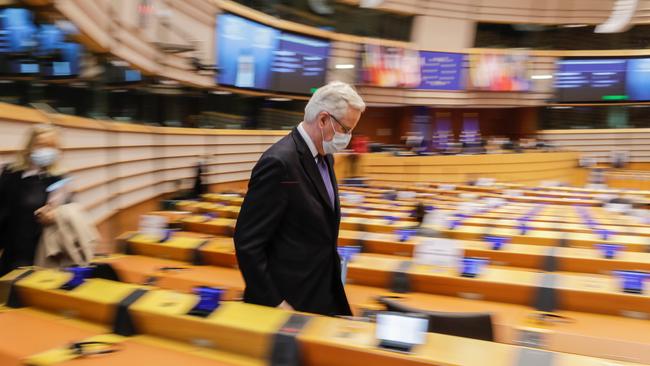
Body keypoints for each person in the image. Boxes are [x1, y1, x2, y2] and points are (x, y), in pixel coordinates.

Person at [234, 81, 365, 316]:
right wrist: (275, 302)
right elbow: (248, 243)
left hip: (319, 292)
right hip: (287, 303)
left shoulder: (325, 157)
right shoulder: (279, 163)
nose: (348, 138)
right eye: (346, 129)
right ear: (323, 119)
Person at [0, 124, 64, 276]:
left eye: (51, 146)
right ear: (30, 146)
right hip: (9, 248)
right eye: (41, 144)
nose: (46, 150)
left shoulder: (57, 179)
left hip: (36, 252)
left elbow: (61, 206)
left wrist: (53, 213)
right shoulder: (8, 172)